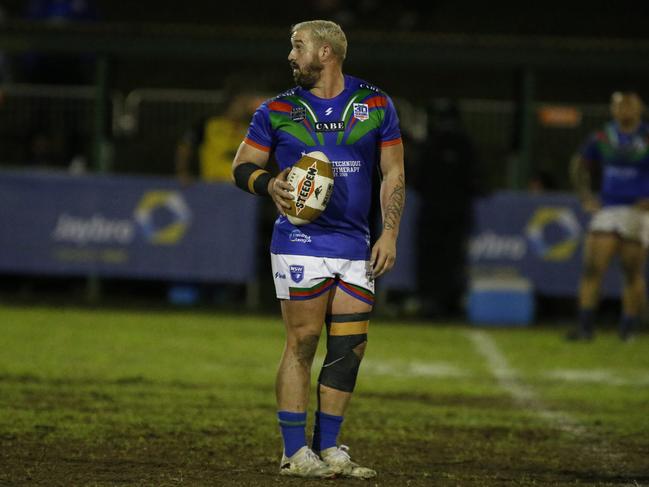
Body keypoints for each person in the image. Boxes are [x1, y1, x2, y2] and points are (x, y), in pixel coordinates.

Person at [231, 20, 405, 478]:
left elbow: (393, 173)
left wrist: (389, 233)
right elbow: (241, 166)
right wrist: (269, 184)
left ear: (326, 51)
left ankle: (329, 448)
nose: (291, 55)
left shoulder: (376, 104)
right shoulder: (276, 110)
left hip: (355, 244)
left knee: (350, 348)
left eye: (298, 45)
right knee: (303, 341)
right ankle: (294, 451)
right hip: (299, 241)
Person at [567, 91, 649, 341]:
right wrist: (584, 196)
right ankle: (585, 327)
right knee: (593, 267)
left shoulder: (646, 137)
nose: (624, 110)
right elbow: (579, 163)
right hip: (609, 209)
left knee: (632, 272)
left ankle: (627, 328)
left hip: (639, 212)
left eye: (630, 105)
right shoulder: (603, 137)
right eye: (619, 106)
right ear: (613, 110)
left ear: (640, 109)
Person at [413, 98, 481, 318]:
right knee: (449, 258)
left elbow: (418, 179)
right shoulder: (463, 143)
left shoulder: (435, 143)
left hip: (437, 212)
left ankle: (435, 301)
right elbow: (476, 182)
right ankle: (444, 302)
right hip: (451, 212)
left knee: (438, 258)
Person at [175, 89, 262, 185]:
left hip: (240, 189)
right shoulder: (209, 124)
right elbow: (185, 146)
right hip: (212, 185)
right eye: (242, 103)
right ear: (232, 103)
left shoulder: (250, 130)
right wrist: (183, 172)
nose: (245, 108)